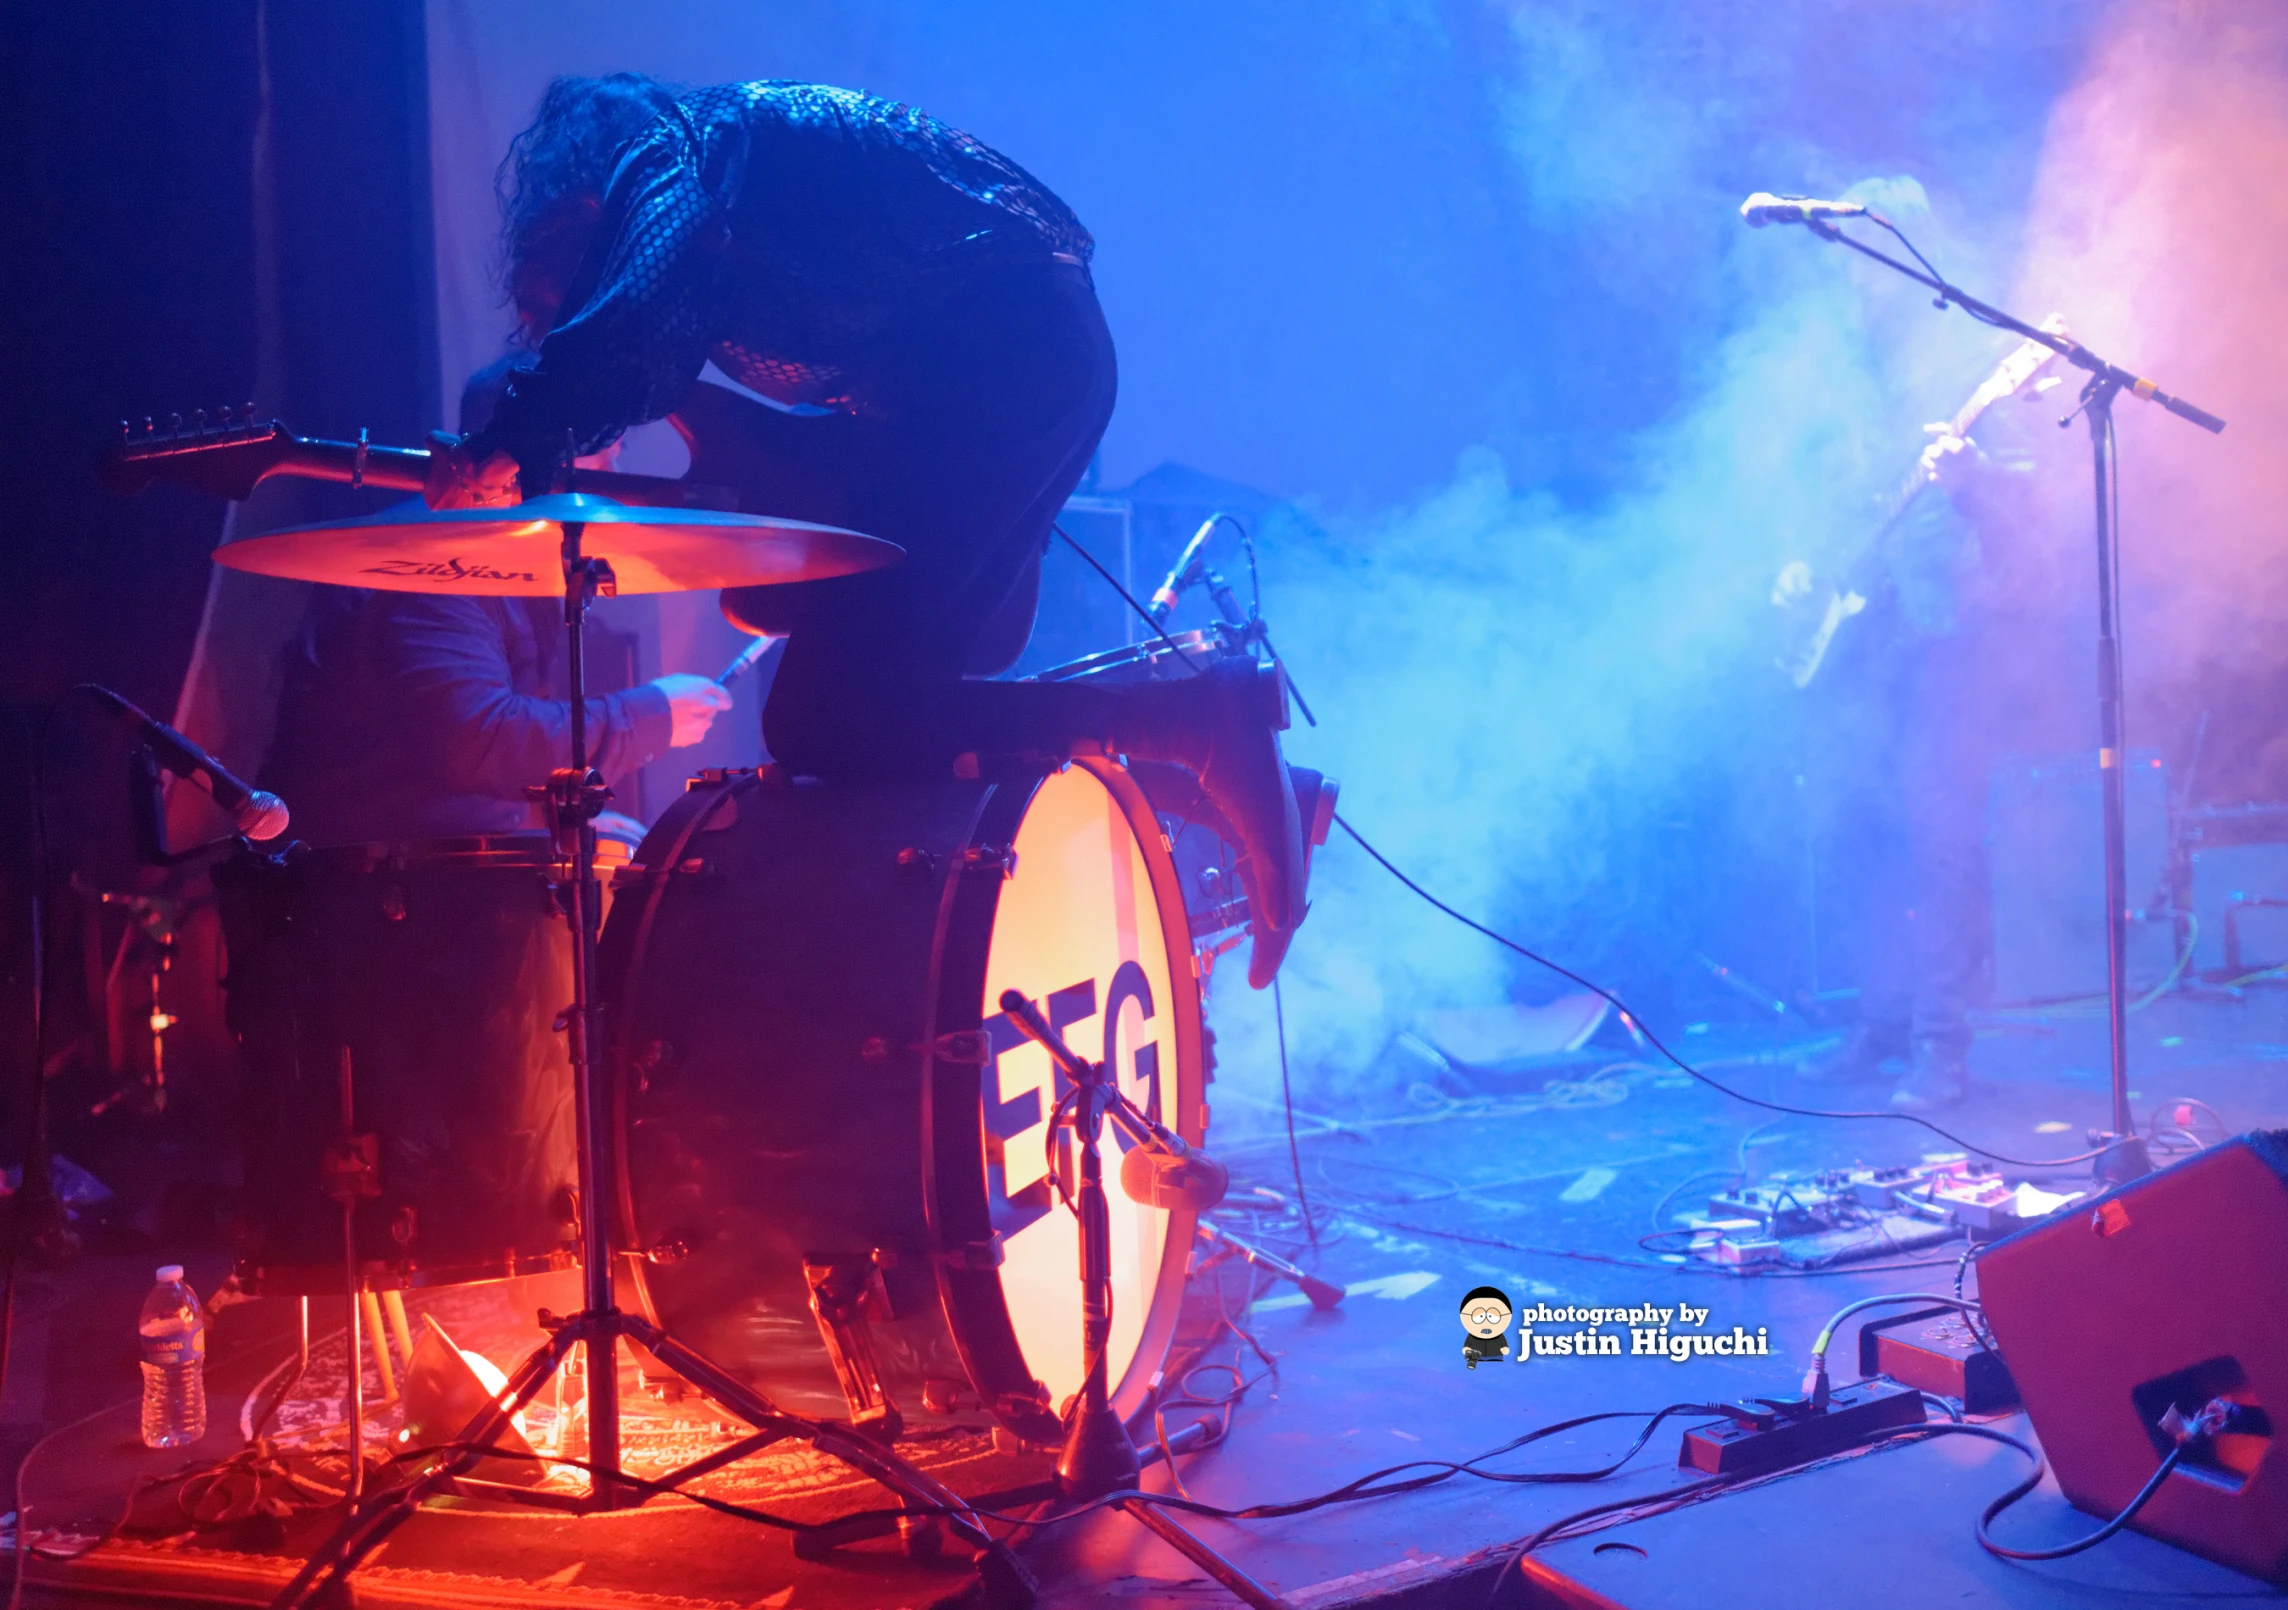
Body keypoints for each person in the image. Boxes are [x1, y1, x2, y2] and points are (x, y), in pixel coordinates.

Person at [425, 75, 1308, 984]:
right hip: (1029, 358)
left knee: (826, 716)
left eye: (556, 298)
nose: (556, 322)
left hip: (1003, 363)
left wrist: (507, 440)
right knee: (932, 673)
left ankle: (1196, 724)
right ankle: (1191, 775)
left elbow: (623, 333)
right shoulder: (733, 171)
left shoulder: (671, 151)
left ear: (584, 209)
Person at [259, 364, 735, 847]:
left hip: (431, 868)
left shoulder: (512, 568)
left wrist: (546, 824)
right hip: (368, 893)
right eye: (598, 457)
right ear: (518, 457)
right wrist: (650, 717)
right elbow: (478, 740)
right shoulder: (434, 561)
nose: (613, 480)